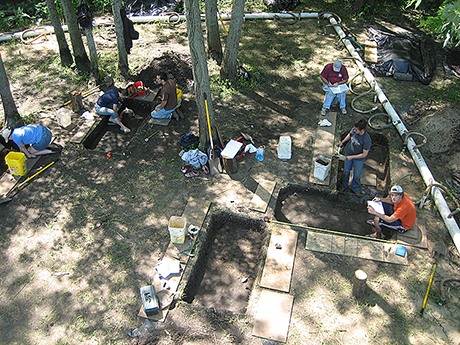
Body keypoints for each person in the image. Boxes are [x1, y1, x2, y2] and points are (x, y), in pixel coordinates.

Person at [337, 119, 372, 193]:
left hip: (359, 159)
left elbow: (364, 154)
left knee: (357, 175)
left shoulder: (367, 140)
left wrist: (352, 157)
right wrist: (342, 142)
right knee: (346, 171)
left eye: (356, 130)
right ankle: (343, 186)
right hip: (348, 153)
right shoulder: (354, 130)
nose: (354, 131)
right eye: (354, 129)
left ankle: (355, 189)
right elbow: (350, 135)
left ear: (362, 130)